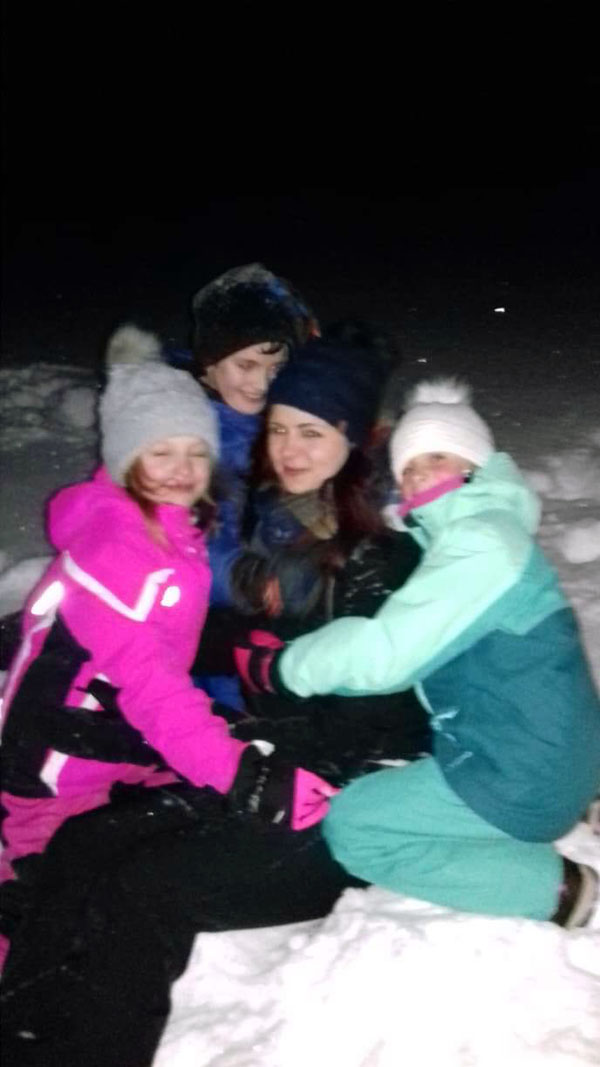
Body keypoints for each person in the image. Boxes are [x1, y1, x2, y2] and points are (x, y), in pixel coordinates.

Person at [235, 378, 600, 926]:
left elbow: (386, 655)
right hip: (547, 757)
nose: (420, 475)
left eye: (437, 457)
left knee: (356, 825)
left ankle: (555, 890)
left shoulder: (482, 545)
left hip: (523, 774)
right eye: (408, 467)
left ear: (475, 463)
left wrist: (283, 667)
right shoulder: (478, 536)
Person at [197, 338, 432, 783]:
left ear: (351, 438)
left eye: (311, 433)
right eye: (278, 430)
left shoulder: (380, 551)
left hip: (368, 770)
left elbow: (364, 717)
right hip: (286, 733)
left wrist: (241, 742)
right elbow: (259, 626)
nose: (289, 452)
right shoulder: (278, 509)